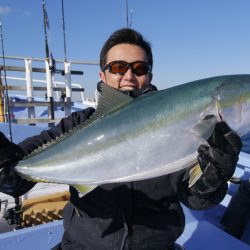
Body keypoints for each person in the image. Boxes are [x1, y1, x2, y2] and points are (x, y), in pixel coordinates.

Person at [0, 28, 242, 250]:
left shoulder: (182, 121)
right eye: (117, 67)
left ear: (149, 75)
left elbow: (195, 199)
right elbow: (15, 175)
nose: (128, 76)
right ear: (102, 75)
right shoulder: (76, 125)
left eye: (139, 69)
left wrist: (212, 181)